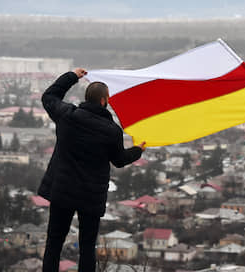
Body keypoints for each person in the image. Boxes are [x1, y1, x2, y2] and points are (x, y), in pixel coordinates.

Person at [38, 68, 146, 272]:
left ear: (86, 98)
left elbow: (49, 96)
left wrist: (72, 76)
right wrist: (138, 150)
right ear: (104, 101)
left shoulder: (66, 116)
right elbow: (120, 160)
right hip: (90, 197)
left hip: (62, 189)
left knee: (54, 243)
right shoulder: (112, 131)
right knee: (87, 248)